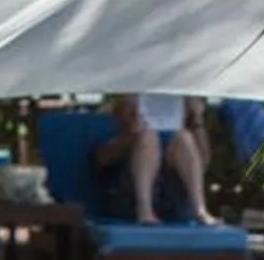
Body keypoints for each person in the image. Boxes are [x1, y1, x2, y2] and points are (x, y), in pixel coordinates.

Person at [92, 93, 219, 227]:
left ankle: (200, 209)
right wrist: (131, 136)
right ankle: (145, 211)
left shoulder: (182, 133)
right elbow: (100, 159)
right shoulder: (112, 128)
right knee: (148, 138)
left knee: (184, 137)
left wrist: (197, 117)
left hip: (172, 201)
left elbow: (204, 161)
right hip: (129, 200)